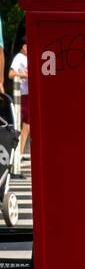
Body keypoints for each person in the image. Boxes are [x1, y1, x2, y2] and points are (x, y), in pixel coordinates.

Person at [7, 42, 30, 177]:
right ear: (24, 46)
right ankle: (19, 152)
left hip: (28, 93)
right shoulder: (19, 58)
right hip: (23, 93)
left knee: (28, 123)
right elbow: (11, 74)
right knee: (26, 123)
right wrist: (25, 76)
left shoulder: (27, 58)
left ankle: (20, 152)